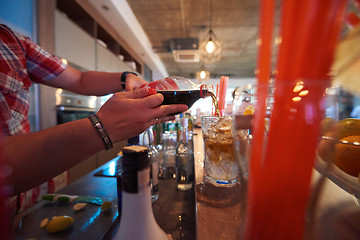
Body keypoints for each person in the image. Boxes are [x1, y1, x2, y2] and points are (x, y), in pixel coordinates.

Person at [0, 24, 188, 202]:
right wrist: (104, 127)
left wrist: (125, 78)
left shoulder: (13, 42)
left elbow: (79, 79)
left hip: (28, 199)